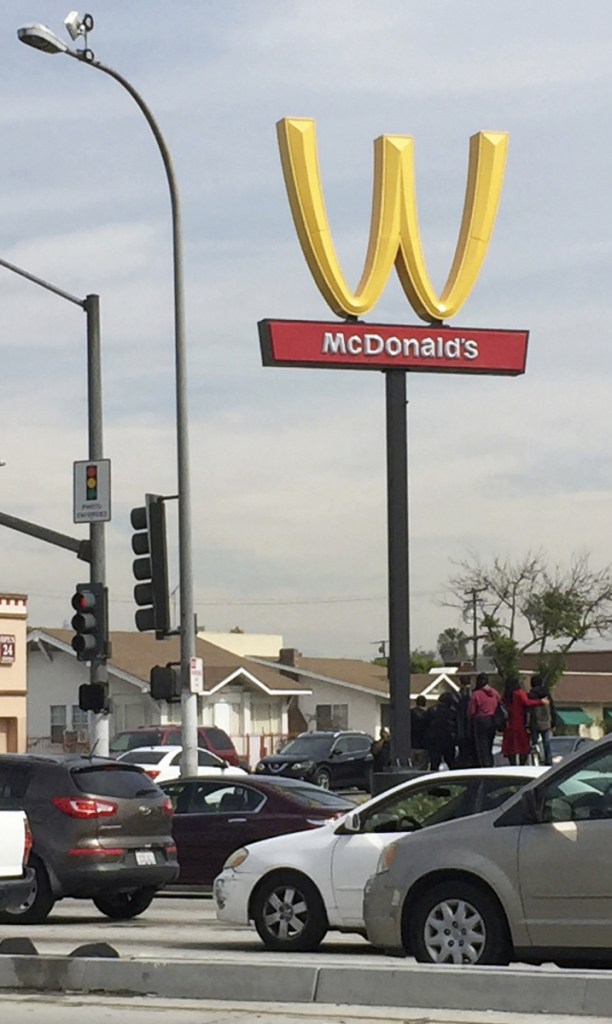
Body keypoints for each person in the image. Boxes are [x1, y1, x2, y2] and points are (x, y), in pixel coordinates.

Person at [501, 676, 549, 765]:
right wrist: (540, 701)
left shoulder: (506, 695)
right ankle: (522, 764)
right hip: (520, 724)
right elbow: (527, 702)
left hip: (509, 724)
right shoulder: (519, 693)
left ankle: (513, 764)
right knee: (523, 747)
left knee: (511, 748)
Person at [468, 672, 501, 768]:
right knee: (490, 744)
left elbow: (471, 711)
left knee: (482, 746)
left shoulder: (476, 694)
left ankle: (485, 765)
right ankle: (490, 762)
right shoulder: (495, 693)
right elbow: (500, 703)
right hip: (492, 720)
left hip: (480, 721)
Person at [423, 692, 456, 771]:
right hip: (447, 739)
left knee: (434, 764)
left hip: (433, 739)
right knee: (451, 763)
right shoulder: (451, 711)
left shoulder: (431, 709)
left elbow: (424, 723)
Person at [528, 674, 555, 765]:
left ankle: (535, 760)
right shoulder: (547, 694)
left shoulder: (530, 695)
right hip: (546, 722)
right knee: (547, 743)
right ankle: (548, 760)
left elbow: (527, 709)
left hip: (534, 722)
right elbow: (552, 708)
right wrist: (553, 722)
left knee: (534, 743)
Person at [453, 675, 476, 768]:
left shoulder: (457, 696)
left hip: (461, 728)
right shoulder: (475, 694)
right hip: (474, 728)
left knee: (463, 752)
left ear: (461, 683)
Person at [410, 695, 430, 771]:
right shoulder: (427, 714)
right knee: (422, 770)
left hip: (411, 745)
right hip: (423, 746)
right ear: (425, 703)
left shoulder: (410, 713)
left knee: (412, 769)